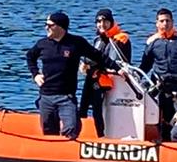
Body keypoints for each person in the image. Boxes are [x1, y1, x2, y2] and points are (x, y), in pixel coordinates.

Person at [27, 11, 120, 139]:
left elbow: (98, 56)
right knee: (48, 132)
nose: (46, 27)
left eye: (50, 25)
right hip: (46, 96)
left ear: (60, 27)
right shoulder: (43, 44)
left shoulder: (76, 43)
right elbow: (30, 57)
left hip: (66, 97)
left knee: (71, 129)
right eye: (46, 24)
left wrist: (118, 68)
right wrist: (35, 74)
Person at [77, 8, 133, 137]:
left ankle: (101, 135)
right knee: (84, 106)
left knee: (98, 108)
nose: (102, 24)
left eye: (105, 21)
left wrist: (92, 63)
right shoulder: (98, 40)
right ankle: (83, 130)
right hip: (94, 77)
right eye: (98, 22)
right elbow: (92, 55)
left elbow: (113, 62)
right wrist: (84, 63)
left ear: (111, 22)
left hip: (108, 80)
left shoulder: (120, 39)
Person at [139, 7, 177, 140]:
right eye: (162, 21)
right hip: (161, 85)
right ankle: (164, 139)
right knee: (161, 113)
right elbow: (145, 66)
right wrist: (134, 77)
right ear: (157, 24)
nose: (165, 24)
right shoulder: (152, 42)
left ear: (172, 22)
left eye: (168, 21)